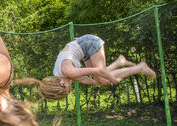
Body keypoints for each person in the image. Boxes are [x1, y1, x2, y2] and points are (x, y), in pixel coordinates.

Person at [15, 34, 156, 100]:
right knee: (103, 81)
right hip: (85, 49)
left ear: (62, 83)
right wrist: (103, 82)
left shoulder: (68, 72)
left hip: (90, 43)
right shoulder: (61, 75)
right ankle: (120, 62)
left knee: (106, 79)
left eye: (67, 90)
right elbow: (88, 80)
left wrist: (112, 79)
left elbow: (100, 71)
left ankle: (140, 67)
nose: (70, 90)